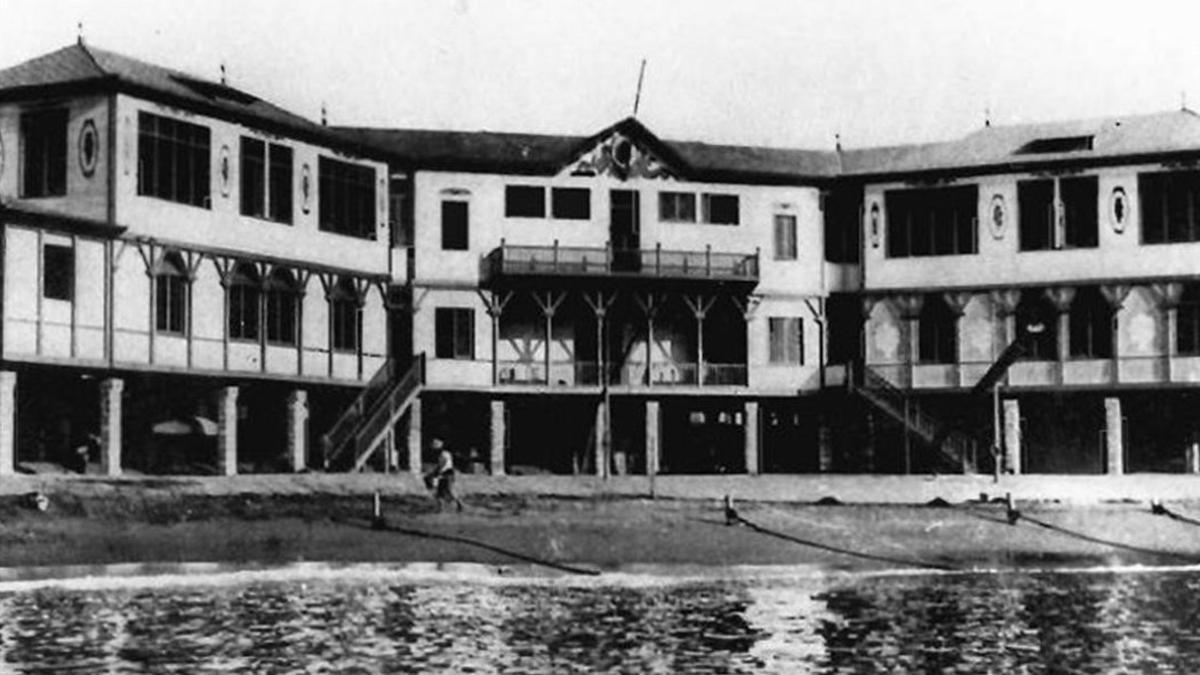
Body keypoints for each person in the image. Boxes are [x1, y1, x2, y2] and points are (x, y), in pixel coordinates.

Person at [428, 439, 464, 512]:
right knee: (439, 492)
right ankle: (440, 508)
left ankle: (459, 504)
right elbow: (440, 465)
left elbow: (443, 464)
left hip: (447, 474)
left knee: (449, 490)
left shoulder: (445, 454)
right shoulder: (442, 454)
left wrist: (437, 472)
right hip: (443, 473)